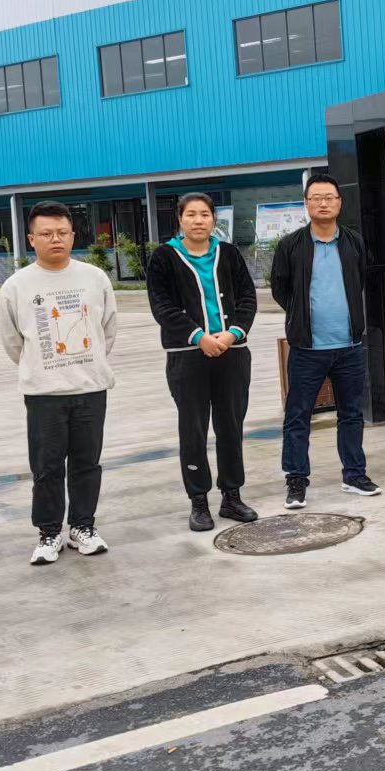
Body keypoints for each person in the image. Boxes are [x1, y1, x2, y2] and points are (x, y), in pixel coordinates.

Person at [0, 200, 119, 566]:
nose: (55, 239)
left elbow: (107, 329)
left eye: (62, 232)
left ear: (73, 236)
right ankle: (49, 533)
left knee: (87, 463)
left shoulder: (94, 278)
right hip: (44, 393)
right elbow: (12, 341)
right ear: (31, 239)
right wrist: (39, 367)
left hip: (90, 388)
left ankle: (83, 526)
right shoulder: (16, 286)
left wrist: (88, 362)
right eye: (47, 233)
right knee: (47, 467)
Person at [146, 193, 261, 532]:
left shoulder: (228, 253)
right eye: (191, 214)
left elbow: (248, 297)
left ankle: (232, 496)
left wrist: (232, 334)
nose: (198, 220)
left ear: (214, 219)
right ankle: (198, 501)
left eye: (205, 214)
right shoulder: (164, 257)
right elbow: (162, 307)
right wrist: (199, 337)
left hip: (232, 353)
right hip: (187, 357)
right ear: (179, 219)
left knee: (231, 427)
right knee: (193, 429)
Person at [270, 174, 379, 510]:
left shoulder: (353, 242)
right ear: (306, 204)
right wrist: (300, 316)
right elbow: (280, 289)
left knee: (351, 414)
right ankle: (296, 480)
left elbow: (361, 279)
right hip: (307, 349)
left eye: (329, 197)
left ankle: (354, 475)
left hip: (348, 346)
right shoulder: (291, 245)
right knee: (297, 416)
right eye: (316, 197)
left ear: (339, 203)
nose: (323, 203)